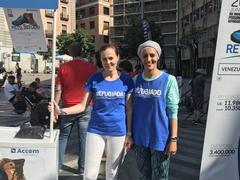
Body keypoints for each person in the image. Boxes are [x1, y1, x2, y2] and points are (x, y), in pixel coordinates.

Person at [50, 44, 134, 179]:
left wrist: (129, 133)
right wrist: (60, 111)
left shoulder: (126, 81)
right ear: (100, 60)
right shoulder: (94, 79)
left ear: (118, 58)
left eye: (111, 58)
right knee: (89, 174)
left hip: (118, 132)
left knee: (112, 173)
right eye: (104, 59)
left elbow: (129, 109)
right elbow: (82, 106)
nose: (108, 62)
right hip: (95, 130)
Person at [132, 40, 179, 180]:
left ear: (158, 56)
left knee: (161, 177)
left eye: (152, 55)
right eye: (144, 56)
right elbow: (130, 109)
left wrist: (174, 139)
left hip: (161, 138)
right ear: (140, 58)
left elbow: (173, 112)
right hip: (139, 137)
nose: (149, 59)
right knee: (143, 176)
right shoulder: (135, 81)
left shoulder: (169, 80)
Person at [54, 42, 96, 174]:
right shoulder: (91, 68)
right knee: (83, 138)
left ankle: (58, 165)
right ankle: (82, 168)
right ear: (82, 52)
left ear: (70, 53)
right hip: (86, 107)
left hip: (67, 108)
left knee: (63, 137)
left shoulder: (63, 68)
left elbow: (58, 90)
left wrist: (55, 108)